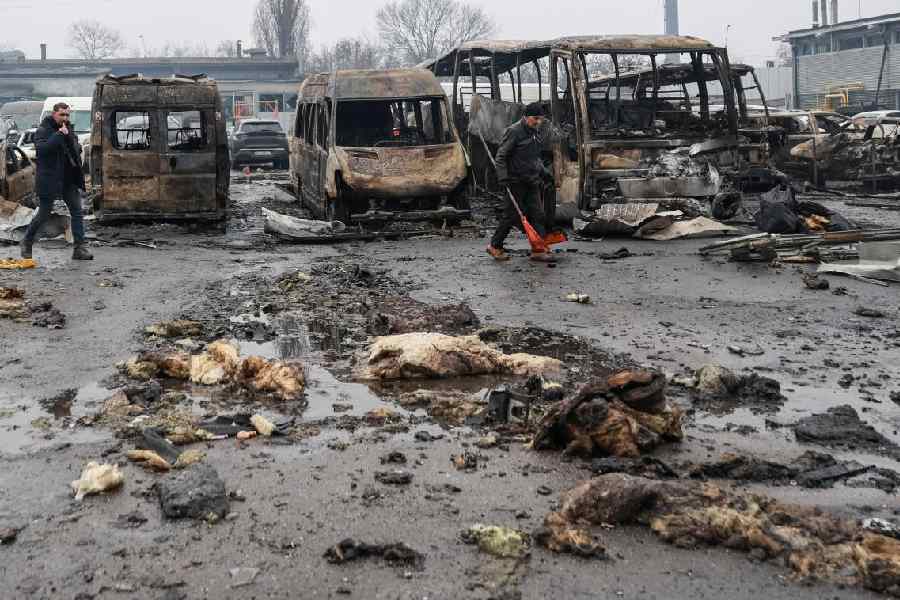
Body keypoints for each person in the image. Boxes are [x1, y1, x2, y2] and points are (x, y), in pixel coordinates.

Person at [20, 102, 92, 261]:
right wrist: (59, 135)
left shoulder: (68, 128)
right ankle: (27, 241)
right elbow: (43, 150)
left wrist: (73, 142)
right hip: (50, 179)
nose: (65, 118)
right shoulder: (43, 130)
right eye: (62, 115)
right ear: (54, 114)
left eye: (67, 115)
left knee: (77, 211)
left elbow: (76, 148)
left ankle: (79, 248)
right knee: (44, 213)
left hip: (68, 178)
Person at [487, 102, 553, 262]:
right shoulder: (514, 131)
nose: (538, 122)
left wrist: (545, 174)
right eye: (535, 118)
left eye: (541, 120)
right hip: (515, 182)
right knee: (511, 216)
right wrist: (502, 177)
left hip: (531, 180)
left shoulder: (535, 132)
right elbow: (501, 156)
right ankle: (495, 246)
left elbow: (534, 158)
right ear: (525, 117)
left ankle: (538, 249)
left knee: (538, 214)